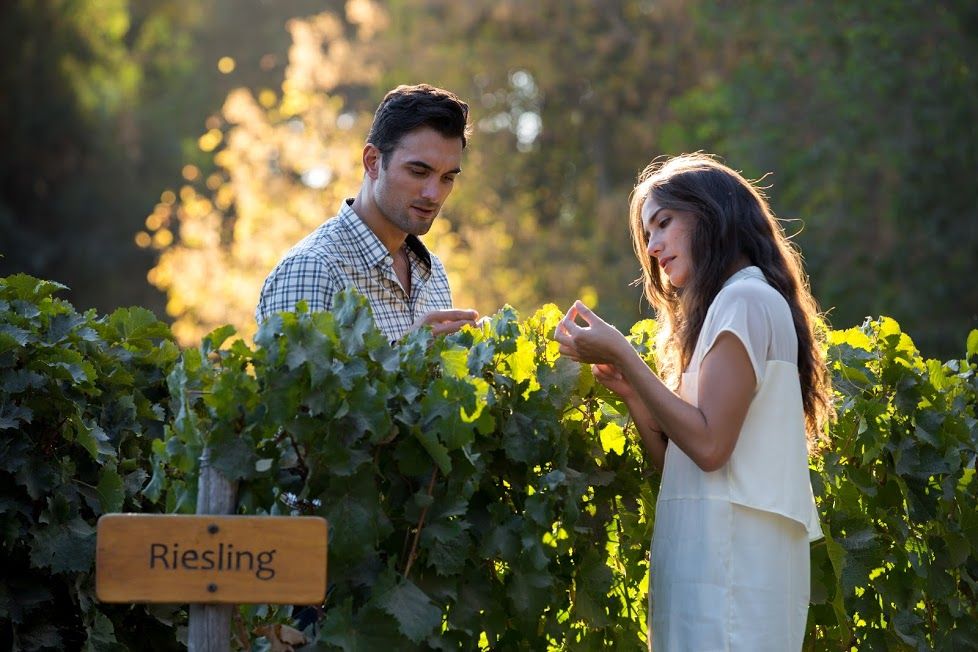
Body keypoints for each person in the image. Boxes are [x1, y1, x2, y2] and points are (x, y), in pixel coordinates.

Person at [554, 153, 832, 651]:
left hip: (733, 569)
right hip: (709, 560)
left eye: (663, 224)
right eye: (647, 235)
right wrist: (635, 393)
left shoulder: (744, 300)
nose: (654, 246)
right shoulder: (732, 305)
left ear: (711, 215)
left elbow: (708, 447)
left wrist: (623, 351)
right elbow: (684, 467)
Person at [255, 83, 479, 340]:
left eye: (447, 178)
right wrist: (406, 355)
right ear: (373, 161)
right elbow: (289, 381)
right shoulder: (312, 268)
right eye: (419, 172)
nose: (434, 194)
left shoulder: (433, 273)